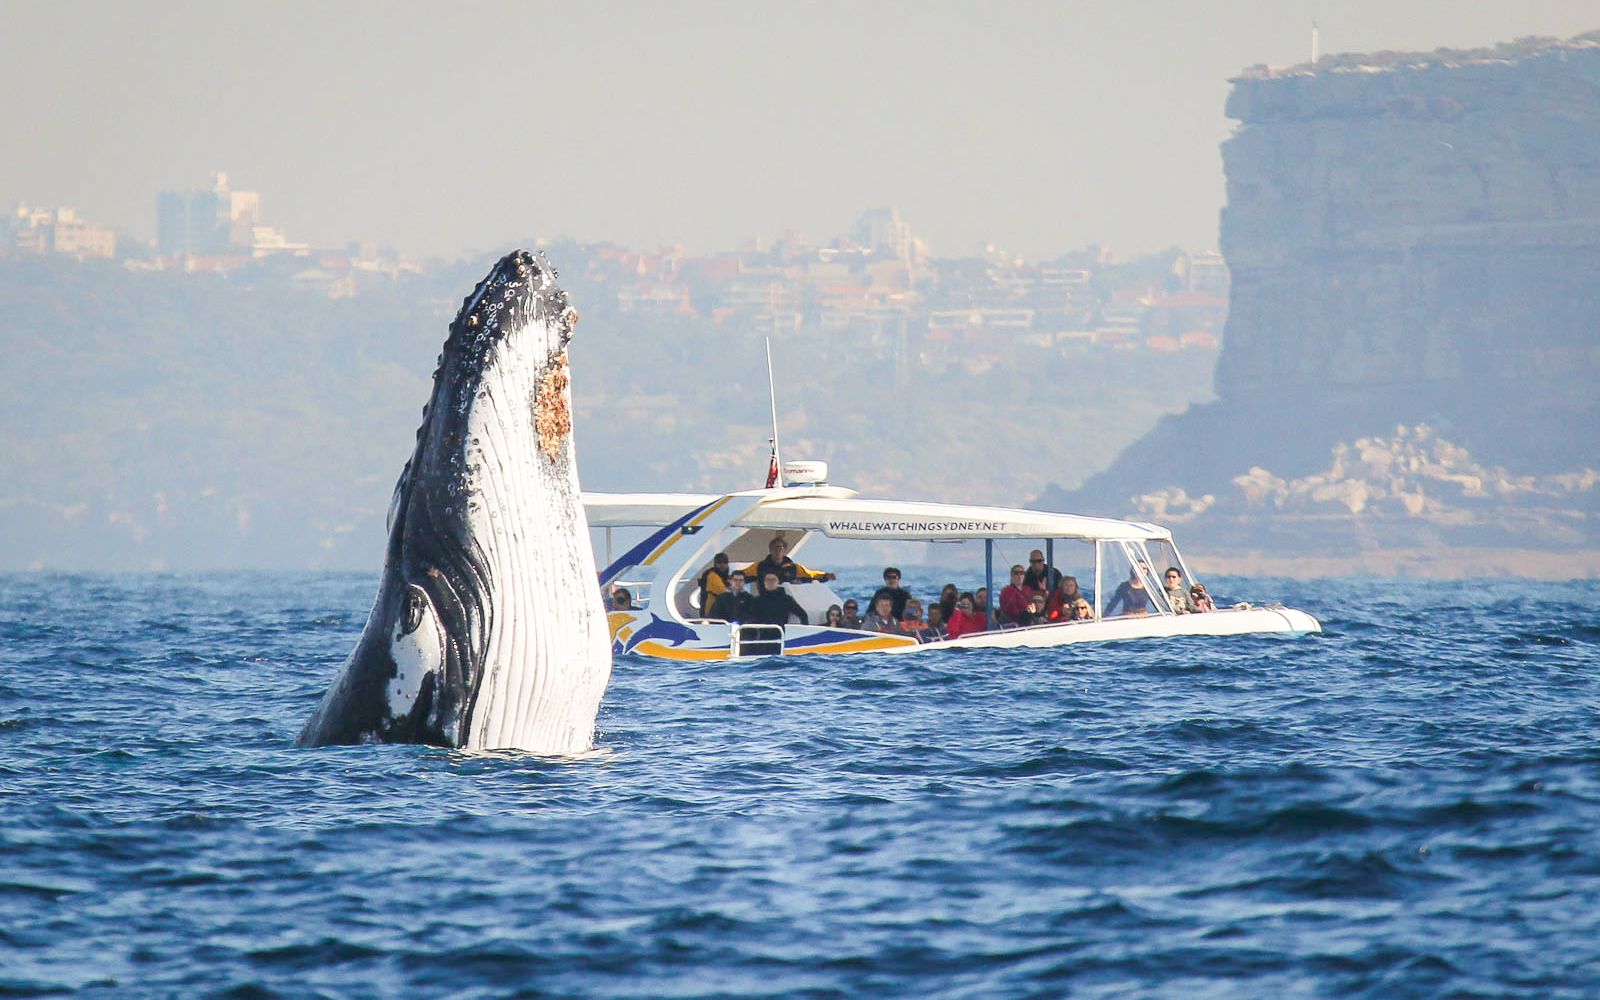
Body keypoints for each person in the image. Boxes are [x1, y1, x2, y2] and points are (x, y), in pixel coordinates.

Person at [744, 536, 835, 593]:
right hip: (764, 599)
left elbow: (811, 575)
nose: (778, 550)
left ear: (785, 550)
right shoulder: (760, 566)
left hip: (785, 601)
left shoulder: (794, 568)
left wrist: (826, 576)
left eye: (781, 547)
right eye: (775, 547)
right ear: (770, 550)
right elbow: (742, 575)